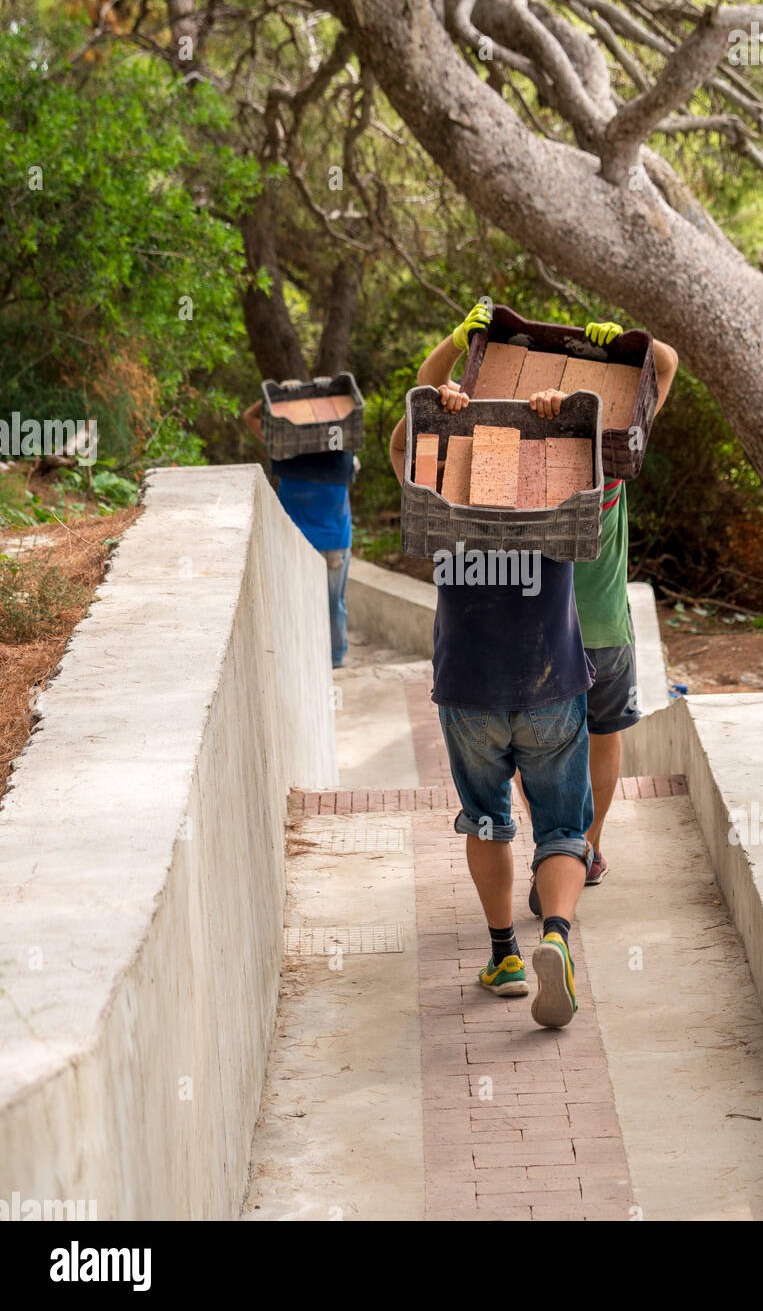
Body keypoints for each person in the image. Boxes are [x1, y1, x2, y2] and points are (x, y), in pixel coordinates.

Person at [389, 303, 594, 1029]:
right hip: (551, 682)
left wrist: (444, 387)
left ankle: (504, 953)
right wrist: (557, 420)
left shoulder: (441, 485)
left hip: (468, 685)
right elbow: (616, 444)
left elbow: (403, 440)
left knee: (485, 820)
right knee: (564, 827)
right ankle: (558, 938)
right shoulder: (564, 476)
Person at [525, 324, 679, 912]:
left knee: (534, 748)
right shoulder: (612, 460)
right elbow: (664, 366)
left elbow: (422, 404)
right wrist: (629, 342)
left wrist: (467, 340)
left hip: (537, 641)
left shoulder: (522, 476)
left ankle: (553, 848)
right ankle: (587, 846)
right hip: (605, 632)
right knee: (603, 737)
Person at [242, 390, 355, 669]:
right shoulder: (342, 453)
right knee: (332, 604)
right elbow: (354, 416)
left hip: (292, 543)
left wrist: (275, 394)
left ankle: (302, 657)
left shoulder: (286, 452)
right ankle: (334, 660)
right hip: (333, 544)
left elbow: (249, 416)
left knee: (294, 604)